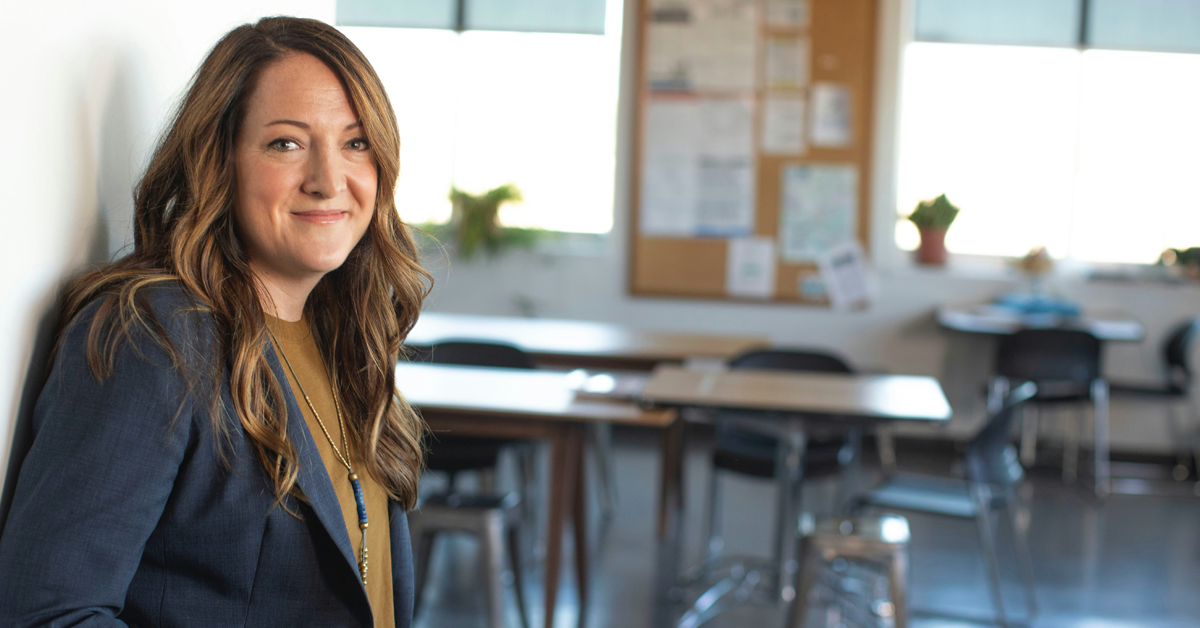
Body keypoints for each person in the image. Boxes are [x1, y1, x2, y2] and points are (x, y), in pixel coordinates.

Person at [0, 16, 428, 628]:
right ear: (220, 159)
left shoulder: (346, 336)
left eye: (356, 143)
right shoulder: (153, 337)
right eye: (287, 143)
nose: (329, 180)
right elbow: (49, 611)